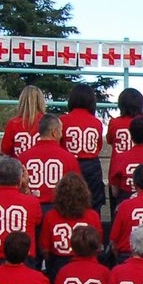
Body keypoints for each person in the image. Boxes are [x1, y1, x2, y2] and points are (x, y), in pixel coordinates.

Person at [40, 172, 101, 280]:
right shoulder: (93, 216)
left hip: (58, 266)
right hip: (87, 266)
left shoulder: (50, 216)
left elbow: (45, 249)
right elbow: (98, 245)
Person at [61, 83, 107, 213]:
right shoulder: (96, 122)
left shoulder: (64, 120)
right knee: (93, 204)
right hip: (92, 164)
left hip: (69, 164)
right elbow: (98, 146)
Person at [19, 114, 74, 212]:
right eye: (60, 131)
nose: (62, 134)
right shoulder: (68, 158)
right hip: (58, 211)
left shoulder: (23, 157)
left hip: (30, 208)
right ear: (54, 132)